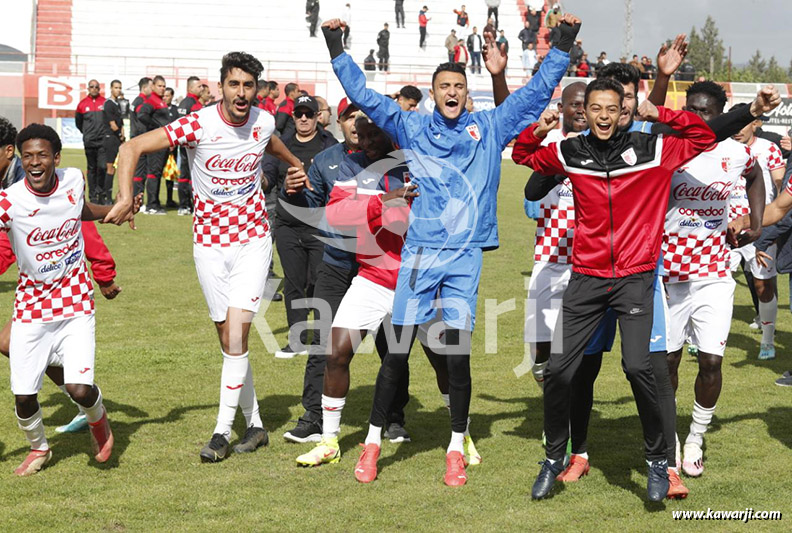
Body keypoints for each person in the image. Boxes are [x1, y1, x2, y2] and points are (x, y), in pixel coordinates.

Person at [320, 12, 576, 486]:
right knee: (395, 353)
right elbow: (364, 97)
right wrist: (337, 47)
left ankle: (456, 448)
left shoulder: (490, 126)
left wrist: (561, 44)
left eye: (459, 85)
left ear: (467, 91)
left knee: (456, 357)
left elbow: (537, 93)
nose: (452, 92)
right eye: (444, 86)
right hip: (418, 255)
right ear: (433, 93)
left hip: (464, 258)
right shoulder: (411, 127)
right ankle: (372, 443)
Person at [513, 79, 716, 502]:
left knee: (640, 367)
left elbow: (704, 135)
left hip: (634, 278)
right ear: (583, 113)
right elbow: (522, 155)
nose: (604, 116)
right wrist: (540, 127)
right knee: (558, 372)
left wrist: (659, 114)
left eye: (612, 108)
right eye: (595, 109)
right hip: (585, 279)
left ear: (623, 109)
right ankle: (555, 458)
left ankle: (659, 462)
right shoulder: (571, 151)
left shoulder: (653, 150)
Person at [114, 51, 307, 463]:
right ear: (221, 86)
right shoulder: (197, 122)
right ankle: (255, 425)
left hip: (253, 240)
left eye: (248, 85)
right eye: (234, 84)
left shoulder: (264, 120)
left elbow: (269, 141)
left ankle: (221, 433)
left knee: (236, 335)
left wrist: (293, 163)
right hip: (207, 245)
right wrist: (127, 196)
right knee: (229, 340)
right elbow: (131, 147)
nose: (241, 93)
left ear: (257, 89)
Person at [1, 124, 127, 475]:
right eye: (28, 156)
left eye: (42, 155)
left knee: (79, 388)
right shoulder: (9, 201)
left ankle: (98, 422)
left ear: (56, 157)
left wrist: (112, 211)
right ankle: (39, 448)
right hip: (31, 307)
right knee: (24, 396)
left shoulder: (73, 179)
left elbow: (79, 210)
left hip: (76, 304)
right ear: (21, 159)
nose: (35, 163)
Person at [662, 84, 766, 482]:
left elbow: (755, 177)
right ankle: (668, 437)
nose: (697, 117)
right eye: (690, 110)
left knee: (710, 361)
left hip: (714, 276)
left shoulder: (736, 153)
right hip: (668, 275)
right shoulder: (671, 150)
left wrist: (755, 225)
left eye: (706, 111)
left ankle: (694, 439)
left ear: (722, 114)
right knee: (668, 362)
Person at [262, 95, 338, 358]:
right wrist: (260, 182)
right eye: (299, 114)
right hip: (288, 226)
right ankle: (296, 340)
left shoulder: (330, 144)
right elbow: (268, 178)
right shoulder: (281, 145)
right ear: (293, 117)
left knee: (318, 282)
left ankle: (319, 338)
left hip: (319, 226)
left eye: (309, 114)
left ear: (318, 116)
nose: (303, 118)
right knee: (293, 282)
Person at [731, 107, 786, 361]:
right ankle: (696, 339)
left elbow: (780, 190)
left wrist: (770, 230)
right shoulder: (720, 147)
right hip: (725, 228)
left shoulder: (768, 149)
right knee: (712, 283)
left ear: (755, 124)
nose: (738, 130)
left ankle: (767, 341)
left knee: (763, 285)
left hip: (760, 227)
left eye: (744, 124)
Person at [137, 75, 171, 215]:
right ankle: (151, 205)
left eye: (164, 86)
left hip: (163, 142)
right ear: (153, 87)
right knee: (153, 173)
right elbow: (142, 115)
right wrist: (157, 128)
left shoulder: (160, 101)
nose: (162, 88)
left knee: (157, 173)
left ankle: (155, 203)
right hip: (156, 141)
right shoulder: (152, 101)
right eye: (159, 86)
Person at [75, 79, 107, 204]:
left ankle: (101, 193)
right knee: (91, 168)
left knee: (102, 167)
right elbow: (78, 122)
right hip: (89, 141)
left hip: (103, 141)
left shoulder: (104, 103)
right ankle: (93, 196)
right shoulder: (82, 104)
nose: (94, 89)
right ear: (88, 88)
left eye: (96, 87)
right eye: (92, 87)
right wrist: (87, 133)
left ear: (99, 89)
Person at [175, 76, 203, 216]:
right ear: (190, 88)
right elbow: (180, 124)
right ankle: (185, 205)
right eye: (199, 86)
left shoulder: (194, 103)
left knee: (190, 175)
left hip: (192, 145)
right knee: (187, 175)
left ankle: (189, 205)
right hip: (189, 145)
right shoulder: (189, 104)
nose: (201, 89)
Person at [101, 79, 124, 206]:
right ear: (111, 88)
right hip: (110, 138)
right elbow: (113, 124)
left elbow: (120, 123)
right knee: (110, 168)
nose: (118, 90)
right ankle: (107, 196)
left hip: (116, 138)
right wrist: (120, 135)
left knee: (115, 168)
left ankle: (110, 195)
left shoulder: (117, 104)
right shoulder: (108, 104)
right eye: (116, 87)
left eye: (119, 87)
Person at [130, 77, 153, 206]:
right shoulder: (141, 102)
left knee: (140, 171)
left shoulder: (137, 101)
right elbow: (141, 120)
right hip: (140, 139)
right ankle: (138, 200)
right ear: (144, 88)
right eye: (151, 87)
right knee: (141, 172)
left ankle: (137, 199)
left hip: (137, 138)